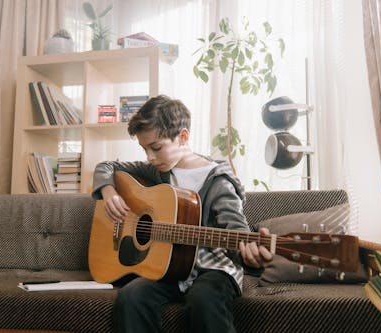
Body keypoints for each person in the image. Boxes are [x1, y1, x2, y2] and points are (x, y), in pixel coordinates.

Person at [92, 95, 273, 333]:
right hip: (168, 269)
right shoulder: (159, 171)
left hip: (212, 269)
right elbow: (107, 166)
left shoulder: (220, 181)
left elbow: (235, 227)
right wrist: (109, 192)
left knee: (204, 301)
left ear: (183, 137)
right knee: (131, 297)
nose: (150, 157)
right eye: (145, 149)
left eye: (156, 147)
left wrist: (248, 255)